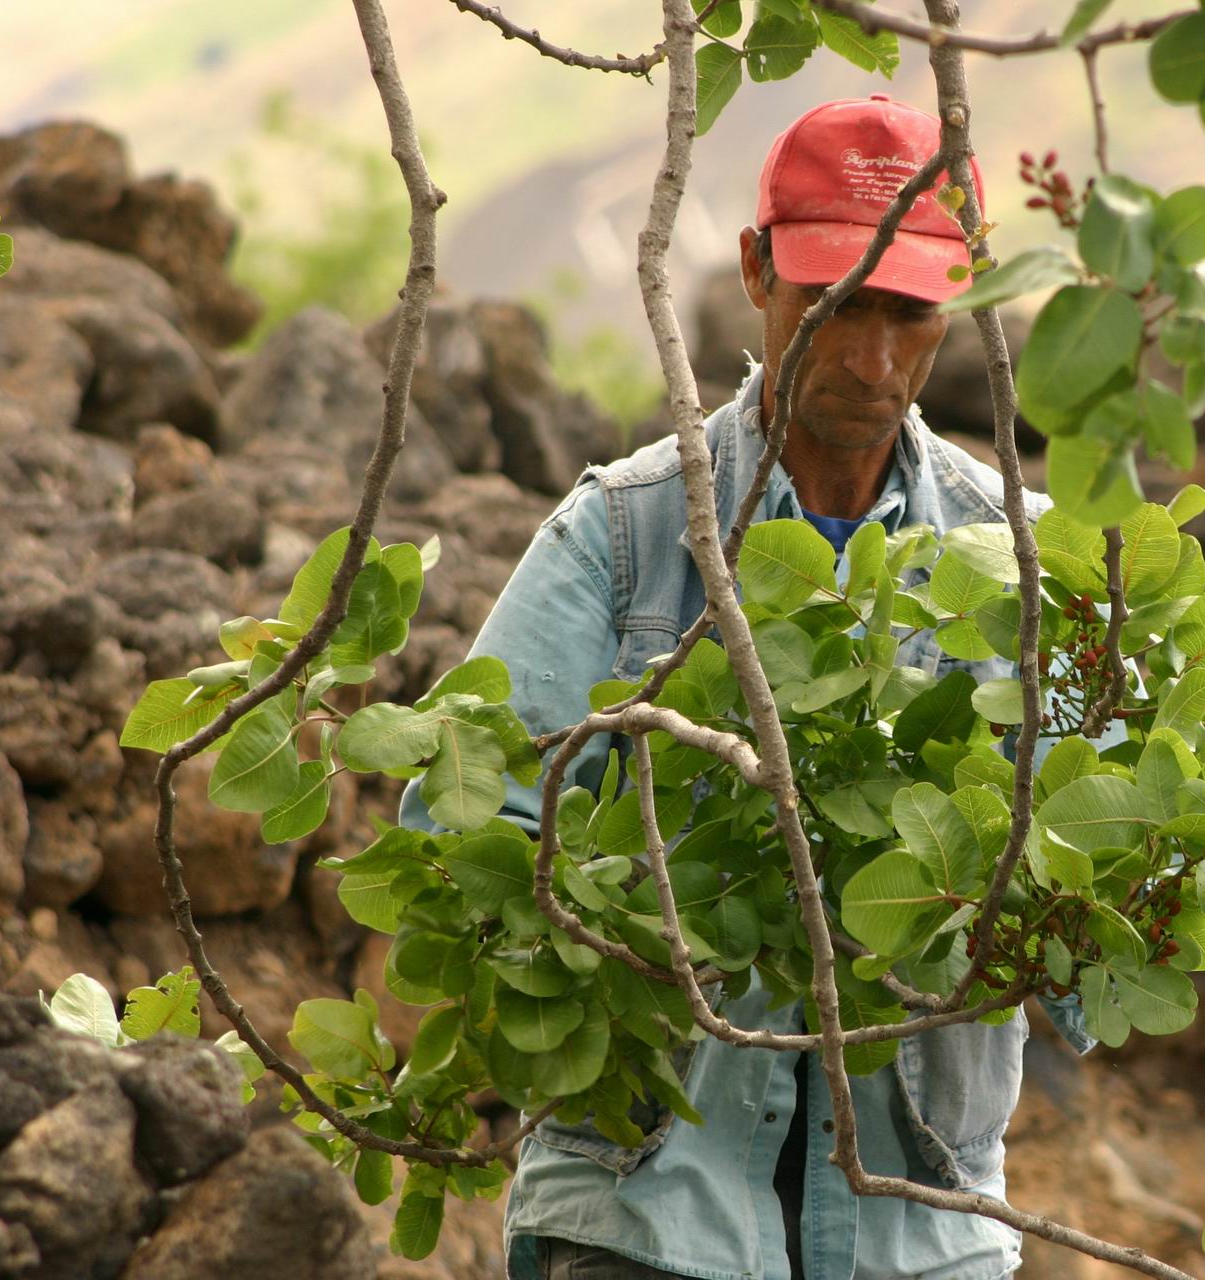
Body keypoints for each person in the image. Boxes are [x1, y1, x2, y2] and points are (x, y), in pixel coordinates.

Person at [401, 95, 1096, 1280]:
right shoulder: (622, 536)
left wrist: (1013, 912)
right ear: (758, 269)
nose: (876, 361)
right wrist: (675, 910)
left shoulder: (1021, 562)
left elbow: (1096, 930)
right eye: (839, 306)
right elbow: (460, 843)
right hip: (643, 1211)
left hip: (918, 1229)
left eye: (912, 314)